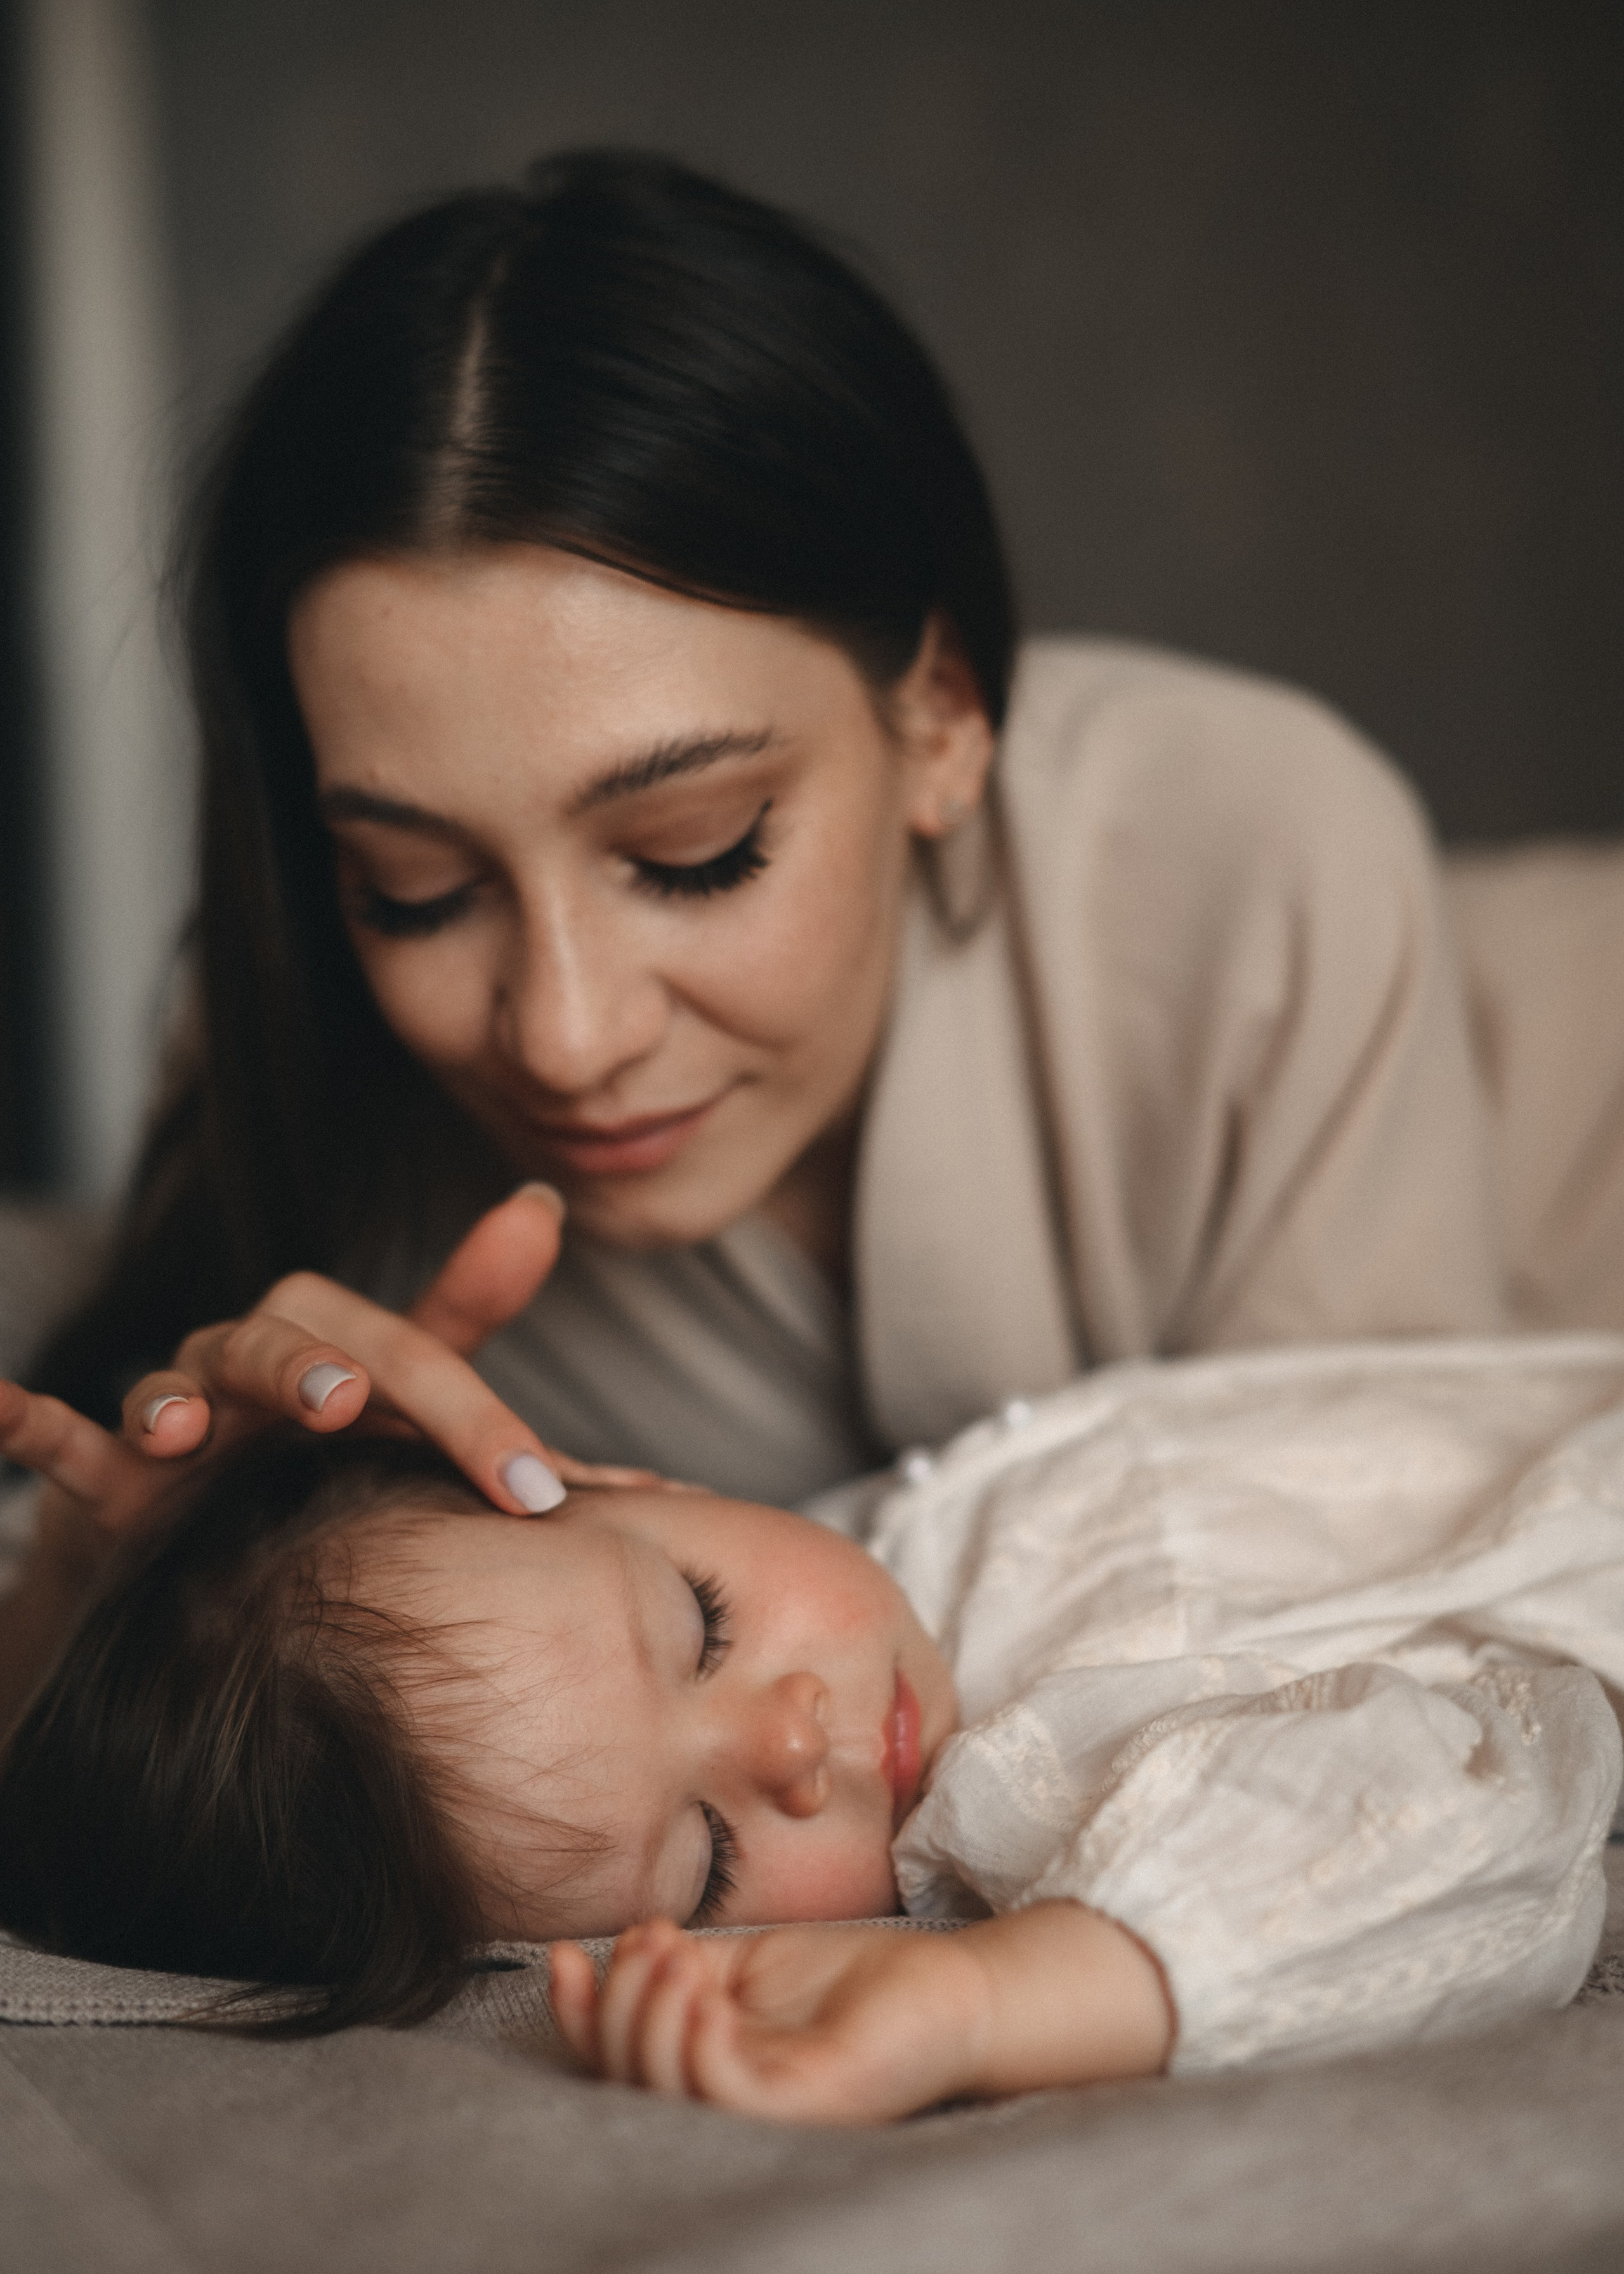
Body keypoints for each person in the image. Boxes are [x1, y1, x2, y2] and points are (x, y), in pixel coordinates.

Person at [7, 148, 1624, 1726]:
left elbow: (1395, 1653)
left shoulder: (1253, 852)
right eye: (414, 889)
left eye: (695, 853)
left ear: (936, 714)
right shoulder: (300, 1052)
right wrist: (132, 1618)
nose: (564, 1037)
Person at [3, 1336, 1619, 2124]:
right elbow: (1472, 1806)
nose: (792, 1743)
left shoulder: (902, 1547)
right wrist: (1001, 1994)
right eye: (708, 1860)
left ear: (627, 1477)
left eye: (701, 1620)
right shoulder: (1041, 1783)